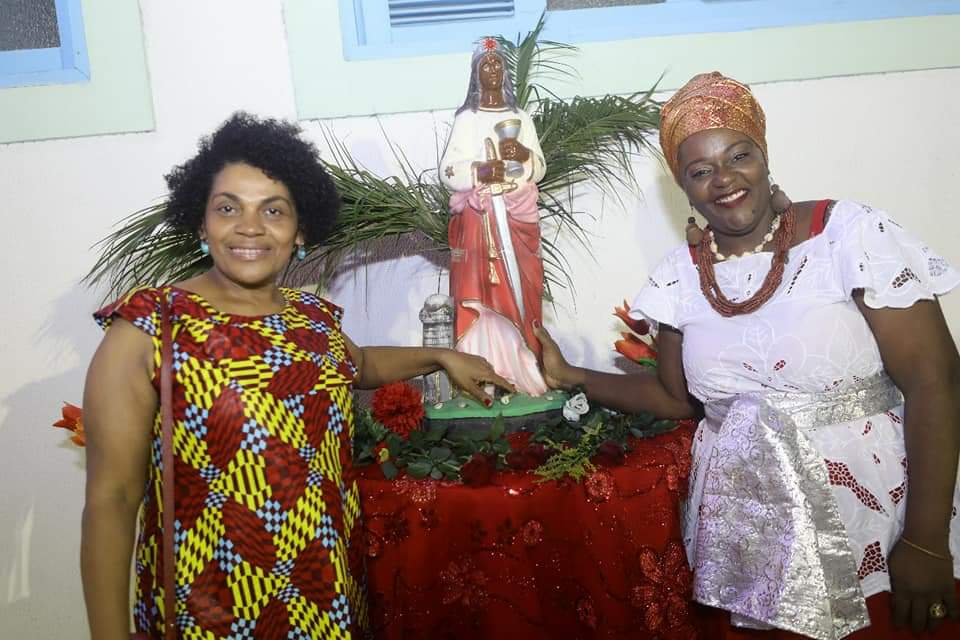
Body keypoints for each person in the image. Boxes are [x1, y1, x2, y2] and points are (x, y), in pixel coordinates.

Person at [535, 72, 960, 639]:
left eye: (739, 156)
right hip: (750, 540)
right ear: (684, 187)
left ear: (764, 156)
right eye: (700, 170)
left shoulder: (848, 234)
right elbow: (675, 398)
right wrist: (569, 374)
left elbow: (936, 380)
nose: (724, 180)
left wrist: (926, 541)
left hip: (876, 525)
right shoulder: (678, 278)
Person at [80, 113, 512, 639]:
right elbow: (112, 499)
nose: (250, 226)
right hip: (210, 614)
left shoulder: (313, 318)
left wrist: (441, 357)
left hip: (326, 601)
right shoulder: (150, 327)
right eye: (228, 208)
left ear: (300, 231)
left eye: (274, 210)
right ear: (201, 223)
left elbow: (361, 365)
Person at [439, 37, 549, 397]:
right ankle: (483, 369)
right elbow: (448, 170)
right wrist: (485, 171)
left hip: (517, 215)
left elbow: (539, 167)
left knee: (523, 286)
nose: (492, 70)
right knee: (480, 292)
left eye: (498, 64)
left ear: (505, 73)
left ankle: (524, 367)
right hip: (480, 220)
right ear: (476, 74)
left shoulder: (521, 118)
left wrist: (524, 156)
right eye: (486, 64)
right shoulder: (467, 119)